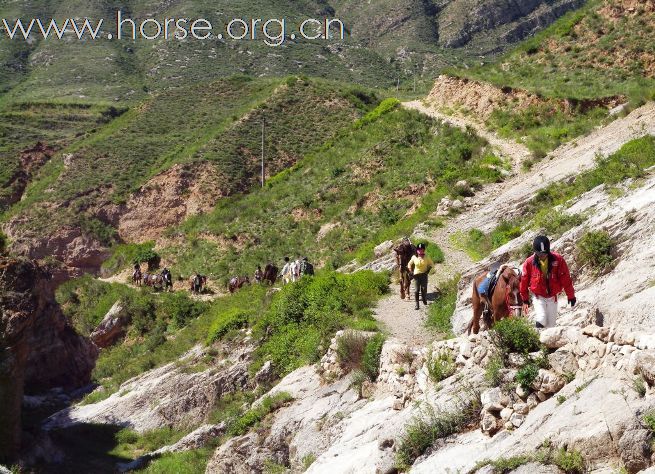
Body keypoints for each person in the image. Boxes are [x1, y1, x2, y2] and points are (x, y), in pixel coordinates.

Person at [520, 235, 576, 329]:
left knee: (551, 325)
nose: (542, 256)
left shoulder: (558, 259)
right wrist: (525, 299)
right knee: (541, 318)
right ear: (535, 252)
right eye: (539, 254)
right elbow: (524, 282)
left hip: (552, 297)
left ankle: (545, 342)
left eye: (545, 253)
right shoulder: (529, 262)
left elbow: (566, 279)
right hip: (538, 296)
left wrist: (571, 295)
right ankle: (537, 338)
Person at [408, 243, 434, 310]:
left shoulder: (426, 257)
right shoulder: (414, 257)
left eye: (422, 250)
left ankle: (424, 298)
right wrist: (410, 271)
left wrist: (428, 269)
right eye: (419, 250)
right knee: (416, 290)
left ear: (424, 250)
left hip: (424, 275)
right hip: (416, 275)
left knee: (424, 289)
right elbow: (409, 264)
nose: (420, 251)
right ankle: (417, 304)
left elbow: (432, 264)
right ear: (417, 250)